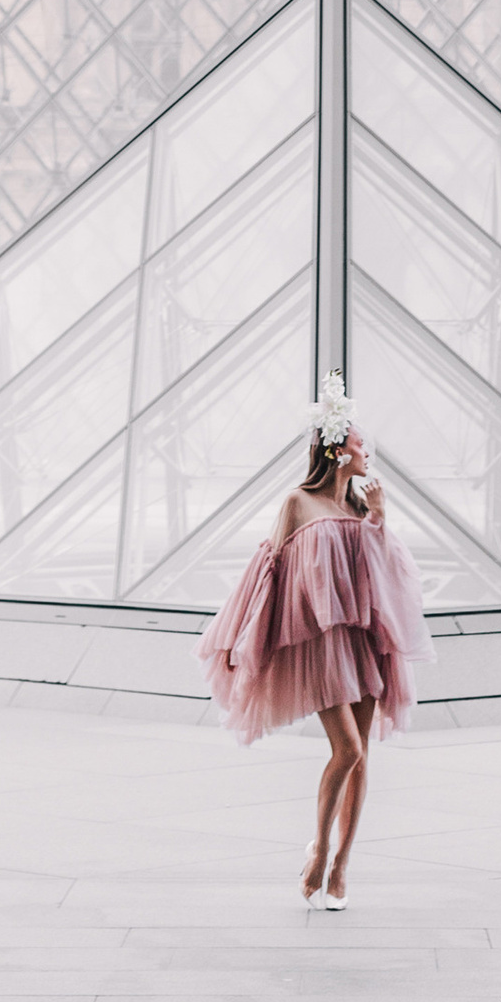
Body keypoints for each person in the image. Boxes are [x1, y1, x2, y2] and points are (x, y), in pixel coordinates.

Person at [197, 372, 430, 905]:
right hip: (320, 647)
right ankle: (320, 849)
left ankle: (344, 866)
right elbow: (269, 574)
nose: (365, 449)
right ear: (335, 448)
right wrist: (245, 638)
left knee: (363, 755)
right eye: (357, 442)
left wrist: (378, 518)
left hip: (363, 642)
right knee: (346, 749)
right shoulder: (297, 504)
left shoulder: (358, 507)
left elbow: (387, 576)